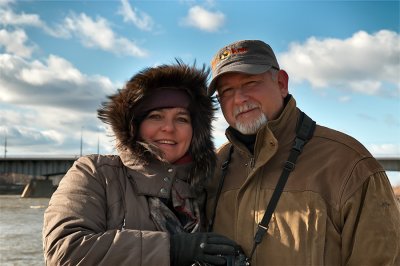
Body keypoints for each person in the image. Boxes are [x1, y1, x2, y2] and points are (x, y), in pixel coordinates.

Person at [205, 40, 400, 265]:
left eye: (250, 83)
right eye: (227, 91)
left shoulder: (350, 165)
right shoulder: (214, 166)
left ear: (281, 83)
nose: (239, 99)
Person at [43, 61, 238, 266]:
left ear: (196, 131)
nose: (169, 128)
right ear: (134, 125)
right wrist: (173, 248)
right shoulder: (96, 173)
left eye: (181, 119)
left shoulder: (209, 186)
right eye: (156, 116)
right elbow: (65, 251)